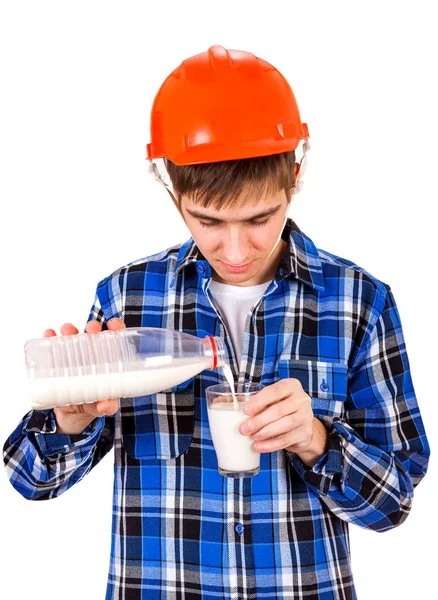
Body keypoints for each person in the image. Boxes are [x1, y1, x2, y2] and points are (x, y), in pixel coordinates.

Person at [3, 45, 430, 600]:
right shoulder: (127, 299)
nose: (234, 249)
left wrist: (316, 439)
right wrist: (70, 423)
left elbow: (394, 502)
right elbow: (31, 479)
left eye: (260, 218)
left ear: (294, 175)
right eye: (207, 220)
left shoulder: (358, 303)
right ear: (171, 190)